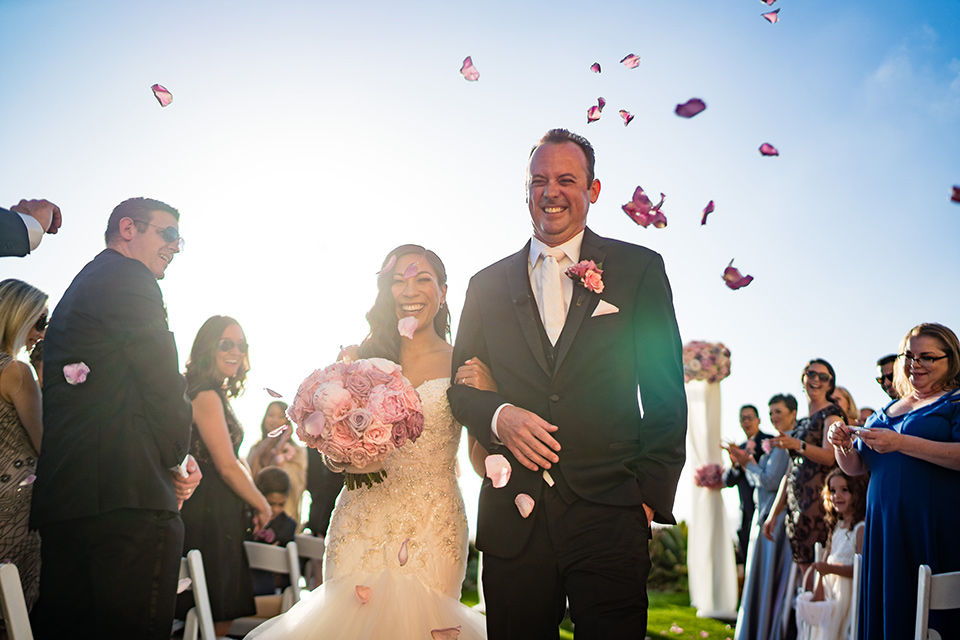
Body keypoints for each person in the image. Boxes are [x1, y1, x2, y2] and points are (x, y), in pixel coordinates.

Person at [448, 128, 688, 639]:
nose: (550, 191)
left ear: (593, 190)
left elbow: (665, 391)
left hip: (610, 511)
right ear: (526, 190)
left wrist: (645, 496)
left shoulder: (639, 269)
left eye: (565, 179)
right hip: (514, 517)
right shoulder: (485, 286)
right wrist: (498, 416)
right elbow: (459, 388)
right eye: (539, 180)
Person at [247, 245, 488, 639]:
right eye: (399, 281)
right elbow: (330, 456)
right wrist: (346, 456)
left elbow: (480, 461)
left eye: (423, 279)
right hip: (359, 521)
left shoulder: (463, 362)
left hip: (432, 524)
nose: (410, 291)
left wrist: (489, 393)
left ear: (443, 292)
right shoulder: (357, 359)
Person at [30, 197, 200, 640]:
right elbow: (161, 377)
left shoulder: (82, 286)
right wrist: (177, 458)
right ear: (129, 228)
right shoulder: (129, 277)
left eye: (179, 239)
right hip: (127, 501)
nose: (176, 247)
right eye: (168, 234)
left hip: (73, 500)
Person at [829, 323, 960, 639]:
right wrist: (842, 444)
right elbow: (856, 466)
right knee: (890, 612)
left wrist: (901, 443)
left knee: (930, 616)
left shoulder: (954, 401)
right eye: (909, 355)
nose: (916, 364)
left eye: (927, 357)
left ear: (951, 360)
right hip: (885, 530)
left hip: (932, 526)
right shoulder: (887, 409)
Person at [178, 315, 272, 637]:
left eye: (241, 345)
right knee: (216, 615)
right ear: (208, 349)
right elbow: (226, 465)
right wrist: (263, 505)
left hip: (216, 512)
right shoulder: (205, 395)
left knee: (213, 614)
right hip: (209, 513)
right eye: (226, 344)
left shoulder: (215, 393)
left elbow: (236, 461)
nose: (236, 352)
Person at [764, 360, 843, 574]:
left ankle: (814, 608)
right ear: (803, 378)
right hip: (796, 506)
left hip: (817, 505)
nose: (816, 380)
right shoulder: (800, 423)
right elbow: (789, 473)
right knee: (802, 571)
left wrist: (798, 445)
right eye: (811, 374)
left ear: (830, 384)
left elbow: (829, 457)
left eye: (823, 377)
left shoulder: (832, 415)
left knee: (817, 571)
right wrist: (773, 514)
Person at [0, 279, 46, 619]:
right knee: (13, 617)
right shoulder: (16, 372)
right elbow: (44, 444)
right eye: (39, 321)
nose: (41, 333)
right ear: (18, 316)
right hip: (15, 508)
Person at [734, 394, 796, 640]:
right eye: (771, 413)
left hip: (774, 518)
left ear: (793, 413)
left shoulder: (783, 445)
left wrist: (747, 463)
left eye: (778, 411)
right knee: (759, 577)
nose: (774, 417)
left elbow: (771, 481)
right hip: (765, 513)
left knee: (766, 577)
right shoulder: (778, 443)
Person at [795, 468, 866, 640]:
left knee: (839, 632)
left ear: (856, 493)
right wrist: (818, 592)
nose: (837, 496)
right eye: (832, 491)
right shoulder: (836, 527)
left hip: (847, 596)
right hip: (831, 594)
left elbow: (860, 570)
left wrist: (830, 569)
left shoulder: (860, 528)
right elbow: (823, 564)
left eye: (844, 490)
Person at [722, 404, 772, 566]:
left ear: (758, 420)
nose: (747, 422)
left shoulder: (770, 443)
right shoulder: (739, 448)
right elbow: (728, 481)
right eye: (743, 419)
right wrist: (736, 464)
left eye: (750, 418)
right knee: (747, 560)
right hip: (746, 511)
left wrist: (748, 461)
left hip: (766, 509)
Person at [248, 400, 308, 525]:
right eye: (271, 415)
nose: (275, 420)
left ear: (287, 422)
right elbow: (249, 482)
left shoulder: (296, 452)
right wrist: (258, 455)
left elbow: (295, 486)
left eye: (281, 416)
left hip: (283, 518)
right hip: (256, 515)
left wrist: (279, 455)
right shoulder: (256, 449)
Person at [251, 467, 298, 597]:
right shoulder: (247, 520)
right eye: (270, 503)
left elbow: (288, 575)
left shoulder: (288, 526)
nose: (276, 509)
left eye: (281, 504)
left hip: (270, 591)